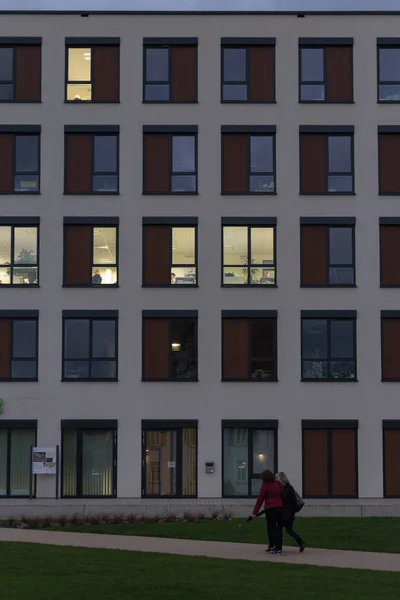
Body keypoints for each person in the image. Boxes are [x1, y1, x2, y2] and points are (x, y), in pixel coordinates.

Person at [251, 469, 284, 555]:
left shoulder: (265, 485)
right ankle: (279, 548)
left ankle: (272, 546)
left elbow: (260, 500)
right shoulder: (279, 484)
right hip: (280, 508)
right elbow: (284, 495)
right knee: (279, 529)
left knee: (271, 528)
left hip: (270, 509)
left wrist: (255, 513)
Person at [275, 472, 305, 553]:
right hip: (290, 513)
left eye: (276, 478)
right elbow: (294, 501)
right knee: (289, 530)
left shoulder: (280, 489)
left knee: (279, 529)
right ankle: (300, 542)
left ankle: (278, 548)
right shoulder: (290, 487)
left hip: (282, 512)